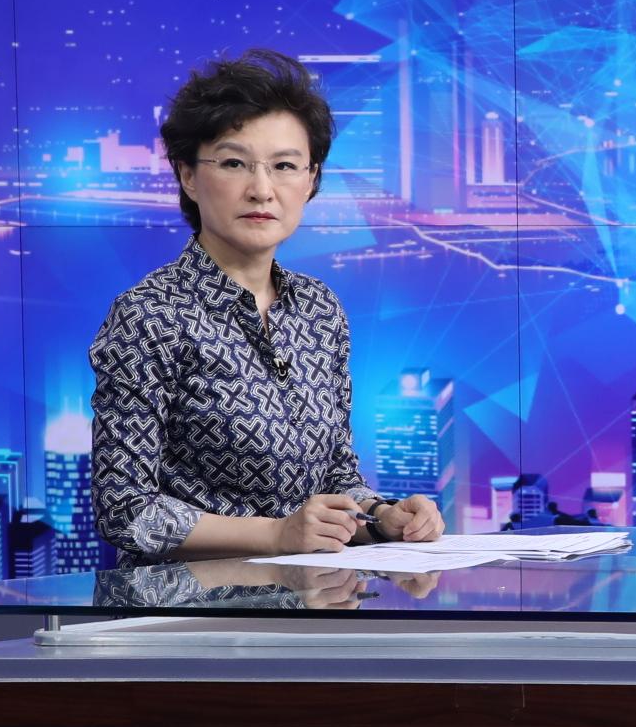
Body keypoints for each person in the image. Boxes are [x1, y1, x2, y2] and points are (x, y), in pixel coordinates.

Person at [89, 49, 448, 565]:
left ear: (311, 179)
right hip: (185, 603)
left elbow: (337, 477)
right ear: (188, 175)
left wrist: (381, 517)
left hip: (311, 597)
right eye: (234, 163)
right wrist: (275, 535)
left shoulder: (319, 310)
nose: (262, 189)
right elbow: (126, 510)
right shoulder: (149, 316)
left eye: (284, 166)